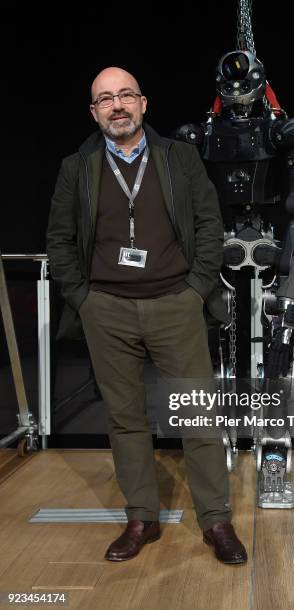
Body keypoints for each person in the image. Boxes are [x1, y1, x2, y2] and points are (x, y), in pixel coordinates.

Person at [46, 66, 247, 564]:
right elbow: (59, 239)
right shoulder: (77, 167)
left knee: (198, 415)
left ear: (143, 103)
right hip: (106, 309)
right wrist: (82, 298)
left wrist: (195, 289)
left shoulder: (179, 158)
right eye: (105, 99)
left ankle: (216, 520)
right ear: (94, 113)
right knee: (125, 419)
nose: (117, 106)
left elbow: (208, 224)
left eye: (125, 96)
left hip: (175, 305)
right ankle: (142, 517)